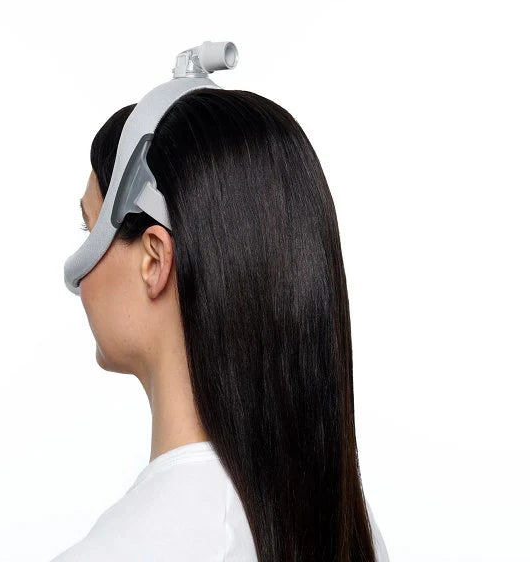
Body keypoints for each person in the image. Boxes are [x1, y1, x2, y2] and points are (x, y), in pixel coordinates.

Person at [51, 89, 390, 561]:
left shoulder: (123, 551)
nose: (80, 276)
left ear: (154, 259)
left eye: (90, 229)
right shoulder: (349, 527)